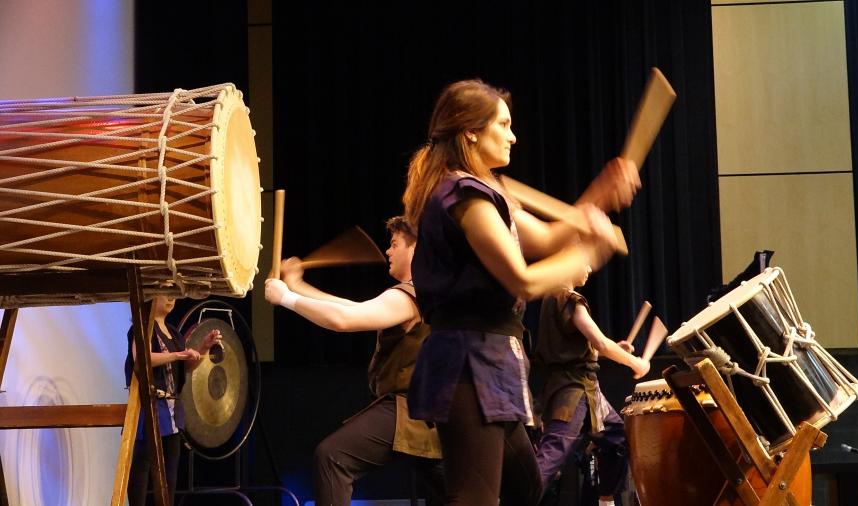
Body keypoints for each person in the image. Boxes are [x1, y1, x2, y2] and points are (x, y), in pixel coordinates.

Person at [402, 79, 640, 505]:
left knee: (525, 488)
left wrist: (600, 196)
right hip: (468, 363)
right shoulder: (465, 196)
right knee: (475, 499)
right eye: (504, 125)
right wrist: (591, 250)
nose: (513, 135)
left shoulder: (488, 192)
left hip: (492, 363)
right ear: (471, 131)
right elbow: (523, 280)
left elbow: (549, 237)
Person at [264, 217, 444, 506]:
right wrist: (297, 287)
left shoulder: (410, 294)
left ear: (416, 249)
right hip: (428, 414)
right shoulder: (424, 293)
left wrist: (286, 298)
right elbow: (353, 309)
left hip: (408, 409)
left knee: (332, 458)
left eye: (394, 244)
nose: (388, 251)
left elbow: (344, 319)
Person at [533, 273, 650, 505]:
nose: (588, 268)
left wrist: (616, 349)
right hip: (574, 390)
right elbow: (599, 342)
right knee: (552, 454)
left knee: (617, 438)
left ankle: (605, 499)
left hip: (583, 389)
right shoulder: (570, 299)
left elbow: (580, 346)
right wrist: (636, 363)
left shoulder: (551, 298)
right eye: (584, 260)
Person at [125, 295, 222, 506]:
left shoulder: (173, 332)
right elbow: (140, 360)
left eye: (174, 295)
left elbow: (184, 367)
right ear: (151, 297)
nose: (172, 299)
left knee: (169, 474)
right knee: (142, 469)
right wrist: (177, 355)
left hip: (171, 410)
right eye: (165, 293)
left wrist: (203, 348)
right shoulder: (142, 327)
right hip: (149, 407)